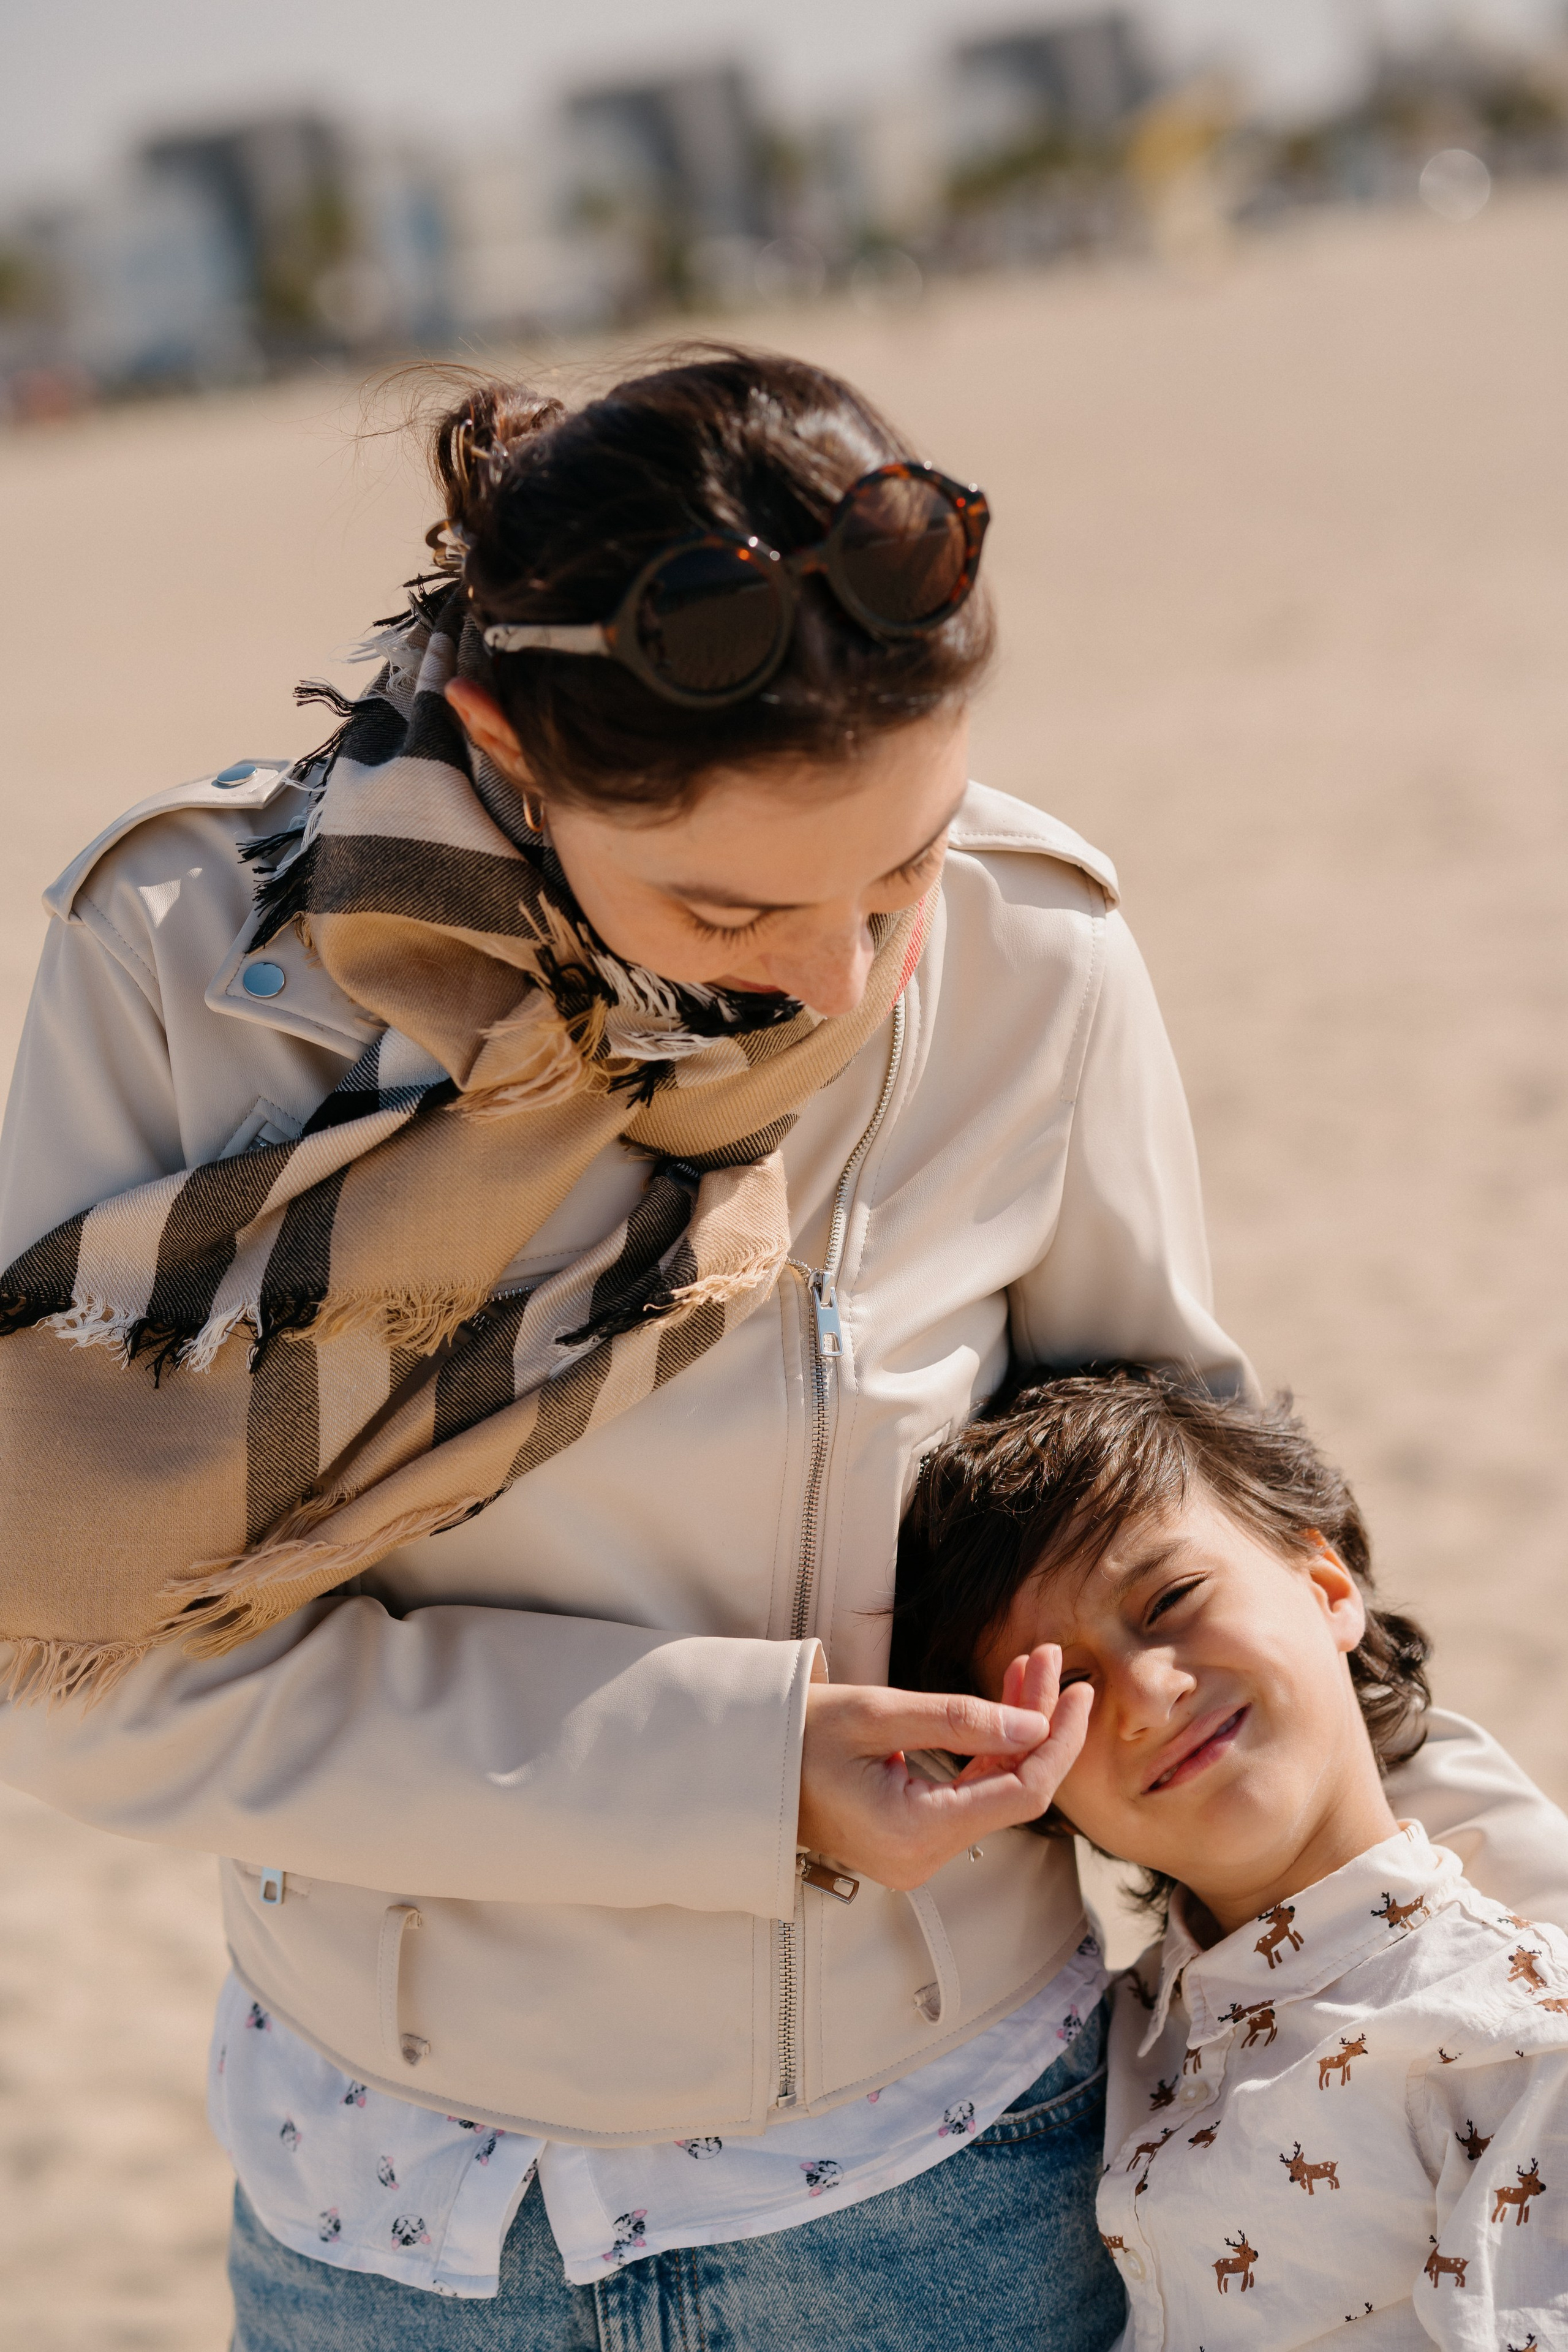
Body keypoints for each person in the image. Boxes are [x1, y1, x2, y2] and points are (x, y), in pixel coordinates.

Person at [0, 348, 1556, 2352]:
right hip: (396, 2226)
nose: (839, 977)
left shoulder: (1034, 957)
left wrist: (1526, 1921)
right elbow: (73, 1681)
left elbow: (1221, 1533)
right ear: (507, 744)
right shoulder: (190, 981)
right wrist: (742, 1771)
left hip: (952, 2191)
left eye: (902, 870)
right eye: (732, 904)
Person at [894, 1366, 1568, 2346]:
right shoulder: (1095, 2043)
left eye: (1170, 1600)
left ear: (1328, 1586)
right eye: (1067, 1684)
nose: (1147, 1692)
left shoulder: (1508, 2040)